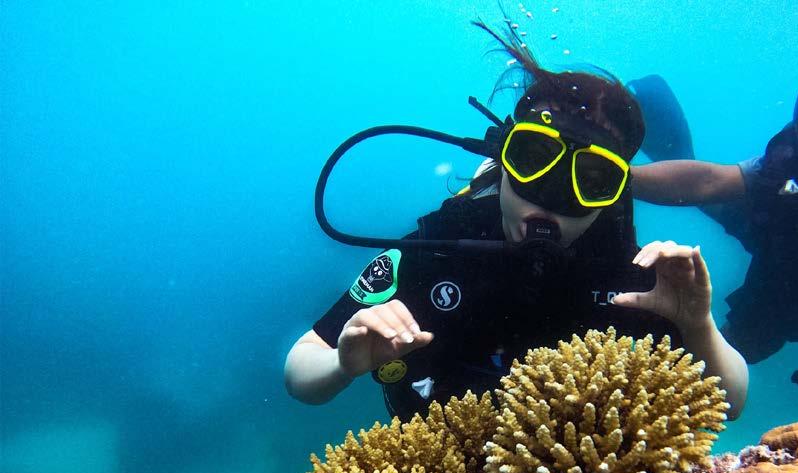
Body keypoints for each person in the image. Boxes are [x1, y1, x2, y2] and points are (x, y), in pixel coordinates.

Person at [285, 22, 748, 421]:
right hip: (435, 469)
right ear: (503, 160)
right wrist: (341, 364)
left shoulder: (631, 275)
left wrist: (698, 326)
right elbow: (301, 368)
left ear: (615, 193)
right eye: (534, 159)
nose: (552, 196)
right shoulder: (437, 248)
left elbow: (730, 402)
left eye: (592, 179)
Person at [631, 93, 798, 386]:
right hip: (782, 219)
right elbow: (712, 181)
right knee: (706, 194)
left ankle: (658, 388)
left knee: (740, 348)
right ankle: (650, 107)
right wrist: (610, 178)